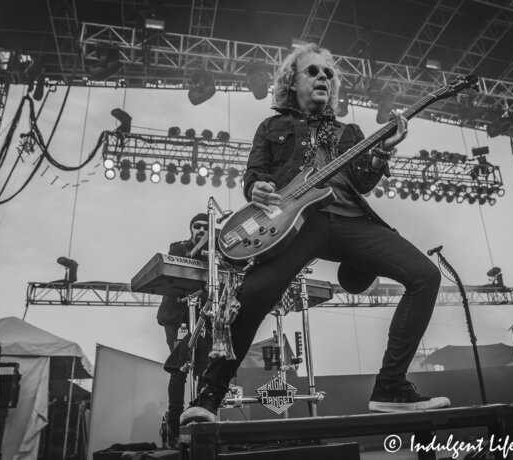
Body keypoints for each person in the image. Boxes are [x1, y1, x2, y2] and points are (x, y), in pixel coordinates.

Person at [181, 43, 449, 425]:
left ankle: (391, 387)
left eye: (328, 73)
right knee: (253, 294)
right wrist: (256, 188)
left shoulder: (350, 132)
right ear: (292, 82)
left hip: (352, 221)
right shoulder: (272, 127)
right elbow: (254, 175)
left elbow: (363, 181)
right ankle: (209, 397)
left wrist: (381, 153)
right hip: (297, 223)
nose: (324, 77)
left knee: (425, 275)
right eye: (313, 71)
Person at [157, 212, 211, 447]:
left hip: (201, 317)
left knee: (203, 367)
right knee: (179, 367)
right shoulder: (178, 247)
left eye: (205, 227)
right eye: (197, 227)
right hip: (176, 317)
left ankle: (196, 414)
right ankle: (174, 421)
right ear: (191, 229)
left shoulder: (212, 253)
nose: (201, 230)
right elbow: (184, 264)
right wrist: (204, 241)